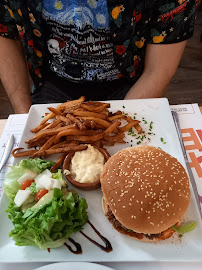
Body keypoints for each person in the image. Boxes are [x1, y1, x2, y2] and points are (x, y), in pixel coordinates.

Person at [0, 0, 198, 114]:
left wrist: (120, 124)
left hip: (130, 86)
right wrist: (23, 114)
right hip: (50, 82)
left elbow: (159, 70)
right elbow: (4, 33)